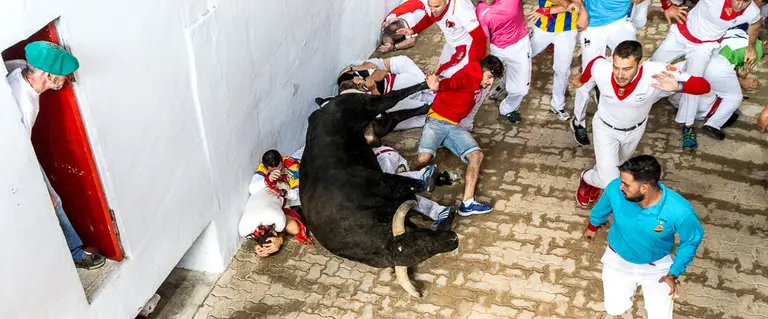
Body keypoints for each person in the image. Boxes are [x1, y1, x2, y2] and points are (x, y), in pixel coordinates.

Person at [5, 41, 106, 270]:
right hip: (19, 157)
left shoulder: (20, 68)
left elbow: (10, 65)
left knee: (53, 202)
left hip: (22, 150)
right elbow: (21, 150)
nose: (66, 79)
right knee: (52, 202)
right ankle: (76, 253)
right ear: (49, 75)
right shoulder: (24, 104)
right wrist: (38, 186)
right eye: (63, 75)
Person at [573, 41, 711, 206]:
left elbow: (704, 86)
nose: (620, 75)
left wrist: (679, 86)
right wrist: (580, 80)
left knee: (616, 165)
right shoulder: (601, 68)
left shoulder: (657, 71)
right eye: (616, 67)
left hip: (635, 131)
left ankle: (596, 175)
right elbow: (592, 65)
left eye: (627, 69)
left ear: (640, 63)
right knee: (610, 181)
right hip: (605, 129)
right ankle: (587, 177)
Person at [583, 155, 704, 319]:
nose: (620, 187)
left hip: (657, 266)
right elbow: (602, 208)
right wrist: (592, 226)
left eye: (626, 184)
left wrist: (674, 272)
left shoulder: (680, 211)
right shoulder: (615, 189)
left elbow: (690, 241)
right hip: (618, 258)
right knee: (614, 309)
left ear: (645, 188)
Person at [651, 0, 762, 151]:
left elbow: (755, 23)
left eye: (746, 1)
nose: (740, 4)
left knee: (693, 85)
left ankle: (688, 127)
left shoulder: (753, 11)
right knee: (651, 68)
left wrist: (751, 47)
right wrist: (668, 6)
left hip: (703, 47)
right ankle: (640, 99)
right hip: (681, 35)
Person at [411, 55, 504, 216]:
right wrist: (438, 86)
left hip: (453, 127)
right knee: (423, 158)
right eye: (489, 77)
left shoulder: (476, 78)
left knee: (477, 155)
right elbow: (452, 83)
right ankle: (402, 174)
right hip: (436, 122)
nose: (489, 82)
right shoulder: (468, 77)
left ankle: (467, 204)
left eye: (493, 79)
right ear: (481, 70)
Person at [667, 28, 764, 140]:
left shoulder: (738, 32)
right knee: (734, 97)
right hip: (718, 65)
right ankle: (713, 125)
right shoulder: (758, 49)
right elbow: (737, 72)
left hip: (700, 57)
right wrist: (741, 78)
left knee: (695, 85)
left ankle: (684, 114)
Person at [240, 149, 312, 257]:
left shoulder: (292, 167)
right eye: (274, 171)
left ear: (282, 162)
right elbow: (252, 188)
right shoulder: (263, 170)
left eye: (281, 169)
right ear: (266, 169)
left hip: (287, 202)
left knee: (294, 228)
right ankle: (266, 244)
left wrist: (285, 193)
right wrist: (267, 180)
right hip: (271, 206)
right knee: (269, 228)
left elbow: (299, 195)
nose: (279, 174)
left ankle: (276, 239)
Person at [526, 0, 588, 122]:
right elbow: (572, 5)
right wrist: (570, 5)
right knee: (523, 58)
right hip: (543, 28)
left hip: (567, 30)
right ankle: (504, 85)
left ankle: (558, 105)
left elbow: (576, 5)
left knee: (562, 70)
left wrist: (548, 10)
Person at [335, 55, 434, 131]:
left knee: (404, 63)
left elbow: (380, 71)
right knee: (392, 116)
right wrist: (373, 90)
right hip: (389, 103)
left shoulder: (349, 77)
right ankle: (434, 113)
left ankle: (431, 90)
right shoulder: (355, 103)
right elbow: (380, 111)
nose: (362, 89)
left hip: (396, 84)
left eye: (360, 88)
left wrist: (367, 79)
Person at [475, 0, 531, 125]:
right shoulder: (480, 10)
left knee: (521, 90)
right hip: (495, 47)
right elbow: (485, 37)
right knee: (479, 81)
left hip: (519, 45)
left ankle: (507, 109)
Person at [373, 146, 456, 231]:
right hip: (391, 158)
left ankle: (421, 176)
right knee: (400, 196)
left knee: (388, 188)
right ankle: (441, 212)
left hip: (381, 158)